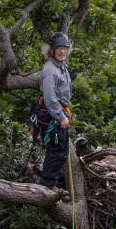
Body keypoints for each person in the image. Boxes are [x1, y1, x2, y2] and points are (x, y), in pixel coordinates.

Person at [37, 32, 72, 189]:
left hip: (60, 111)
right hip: (52, 114)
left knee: (62, 150)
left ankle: (51, 184)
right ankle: (47, 186)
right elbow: (50, 98)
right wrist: (60, 117)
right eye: (59, 48)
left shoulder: (62, 66)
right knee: (56, 150)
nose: (62, 51)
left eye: (65, 48)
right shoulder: (50, 69)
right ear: (51, 50)